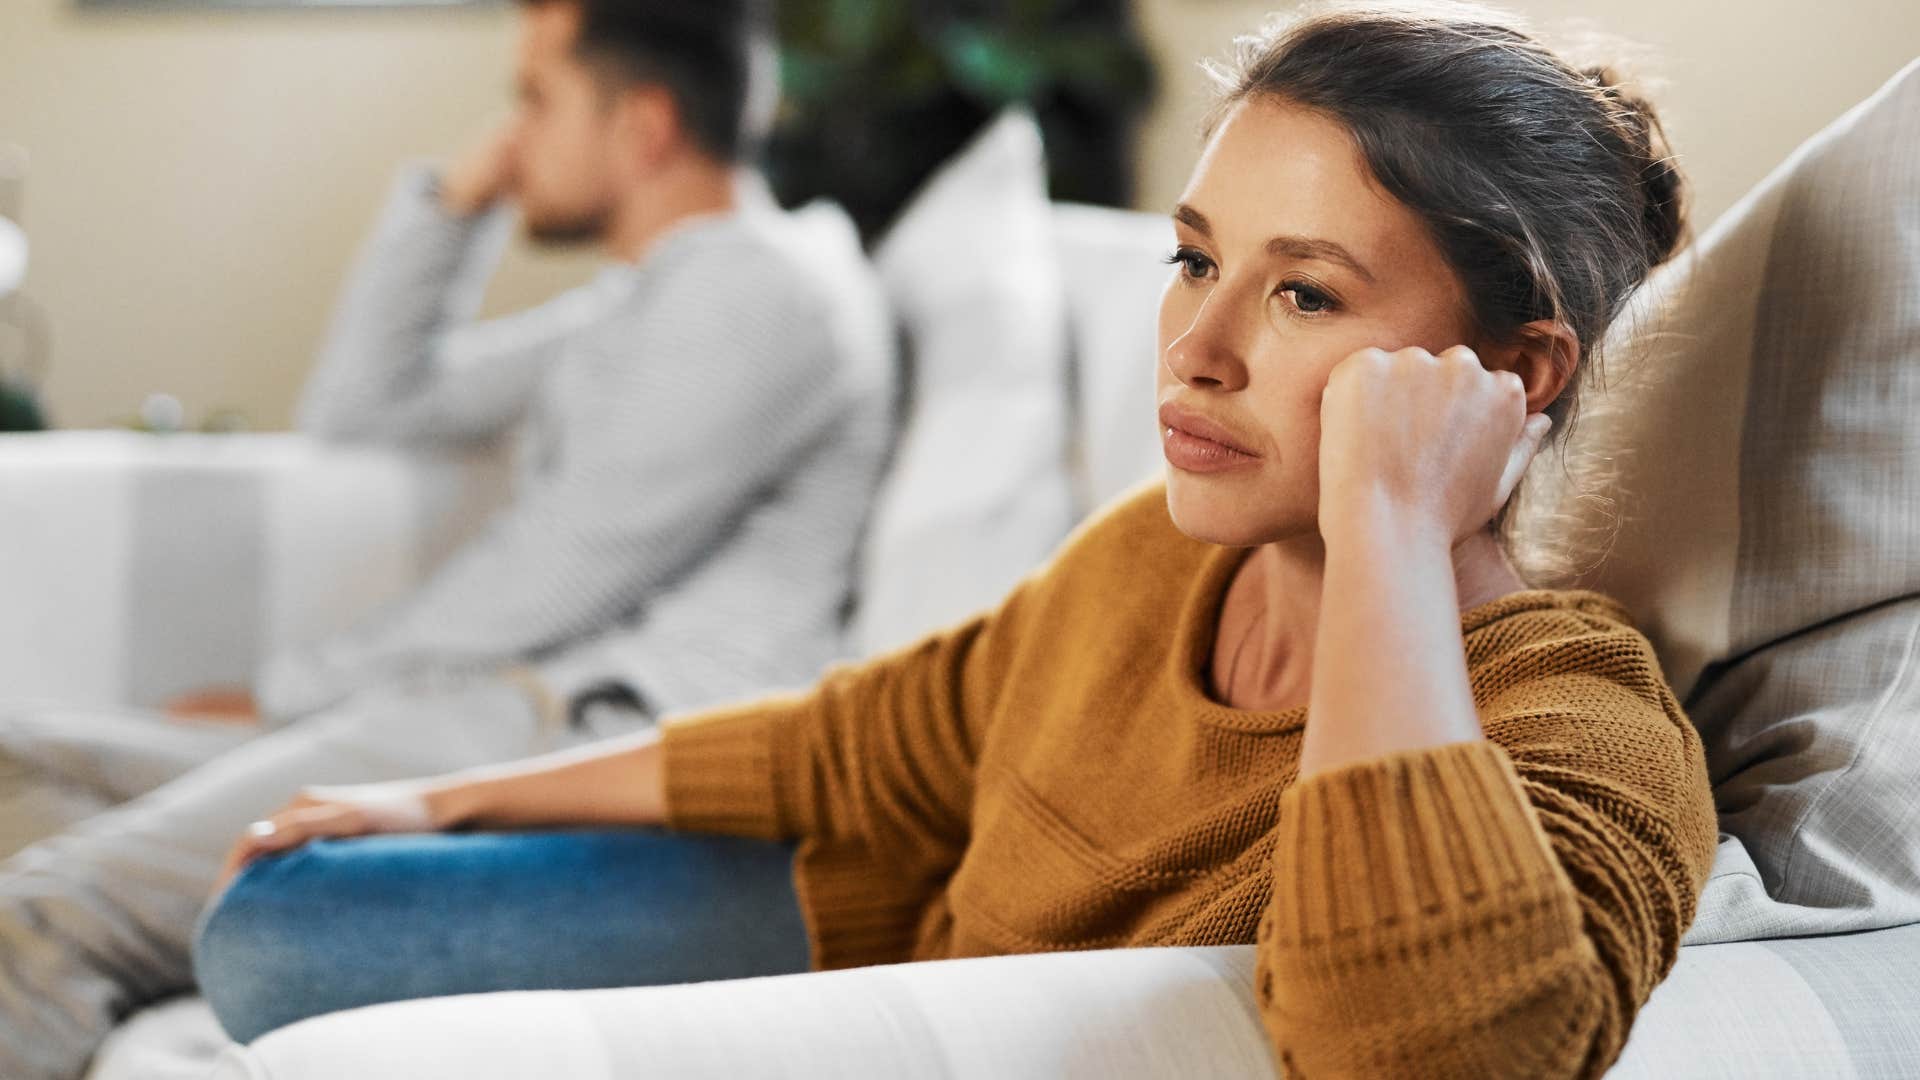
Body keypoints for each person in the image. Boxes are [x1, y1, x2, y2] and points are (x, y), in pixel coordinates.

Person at [195, 3, 1721, 1076]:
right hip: (887, 949)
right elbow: (864, 737)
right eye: (1194, 262)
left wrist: (1391, 528)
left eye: (1305, 294)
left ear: (1514, 374)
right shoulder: (1151, 560)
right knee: (278, 922)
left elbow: (1431, 1054)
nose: (1195, 352)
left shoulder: (1579, 715)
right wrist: (445, 797)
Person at [0, 1, 896, 1077]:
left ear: (644, 125)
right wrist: (452, 204)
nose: (510, 135)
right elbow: (365, 406)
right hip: (499, 707)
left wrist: (285, 694)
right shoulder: (652, 300)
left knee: (44, 912)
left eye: (536, 99)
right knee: (17, 763)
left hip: (585, 726)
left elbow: (555, 577)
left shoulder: (762, 293)